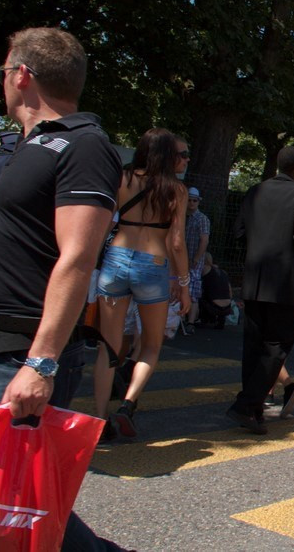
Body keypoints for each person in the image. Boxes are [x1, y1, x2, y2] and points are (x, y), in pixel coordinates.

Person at [0, 27, 125, 549]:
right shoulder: (16, 148)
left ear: (22, 75)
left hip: (21, 352)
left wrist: (42, 363)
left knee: (15, 503)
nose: (1, 83)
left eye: (3, 73)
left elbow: (77, 258)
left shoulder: (83, 144)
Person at [93, 128, 192, 441]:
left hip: (116, 258)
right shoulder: (175, 189)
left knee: (107, 346)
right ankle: (127, 405)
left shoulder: (121, 178)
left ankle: (97, 420)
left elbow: (103, 222)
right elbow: (176, 242)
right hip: (153, 263)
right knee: (150, 344)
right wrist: (185, 283)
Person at [226, 146, 294, 434]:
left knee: (253, 346)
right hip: (285, 280)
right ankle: (247, 404)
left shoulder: (255, 191)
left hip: (254, 276)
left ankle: (253, 408)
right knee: (277, 345)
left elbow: (238, 231)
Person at [184, 186, 210, 324]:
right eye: (189, 200)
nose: (192, 203)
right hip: (182, 258)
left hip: (194, 260)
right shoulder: (183, 217)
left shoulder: (202, 219)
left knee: (193, 292)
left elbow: (204, 240)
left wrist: (196, 258)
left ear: (198, 202)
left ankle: (191, 322)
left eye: (194, 200)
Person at [198, 252, 232, 329]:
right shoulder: (223, 272)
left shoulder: (204, 269)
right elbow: (230, 291)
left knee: (199, 296)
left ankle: (204, 319)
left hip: (212, 306)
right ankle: (220, 320)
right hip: (227, 306)